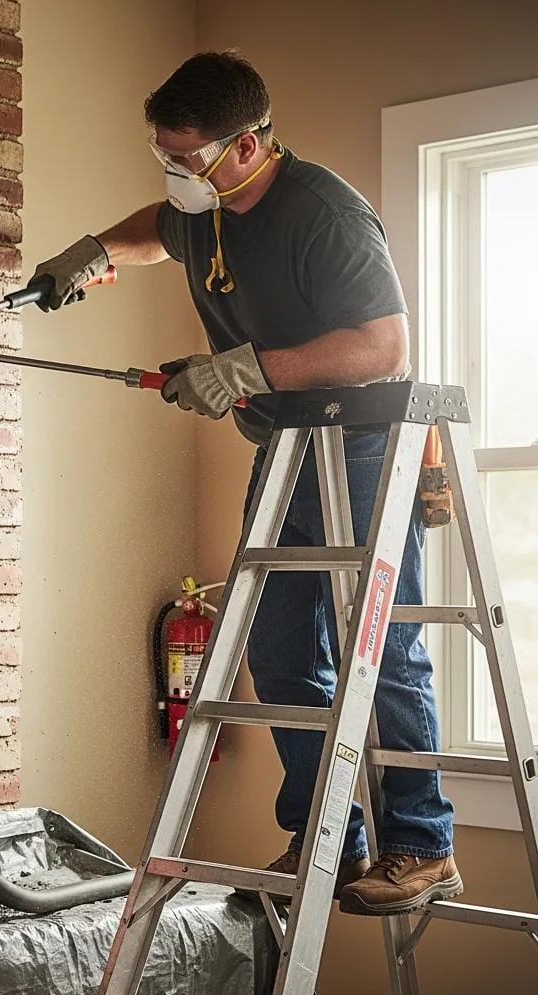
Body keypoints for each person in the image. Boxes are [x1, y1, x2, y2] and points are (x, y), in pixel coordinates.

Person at [28, 50, 462, 916]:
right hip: (288, 448)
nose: (176, 172)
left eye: (188, 157)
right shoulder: (210, 206)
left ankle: (423, 844)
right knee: (279, 653)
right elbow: (161, 224)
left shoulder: (323, 214)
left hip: (368, 447)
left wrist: (248, 370)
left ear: (249, 142)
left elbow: (383, 347)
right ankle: (331, 834)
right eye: (166, 155)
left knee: (382, 650)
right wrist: (93, 252)